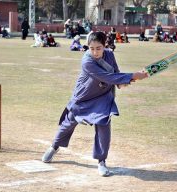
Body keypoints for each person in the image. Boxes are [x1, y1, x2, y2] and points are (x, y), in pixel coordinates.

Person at [41, 31, 148, 177]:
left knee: (104, 126)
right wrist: (133, 76)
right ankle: (54, 146)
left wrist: (126, 82)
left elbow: (115, 74)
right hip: (83, 97)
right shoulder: (87, 61)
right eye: (91, 48)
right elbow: (108, 76)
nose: (95, 52)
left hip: (103, 96)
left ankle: (101, 161)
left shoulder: (110, 54)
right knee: (68, 123)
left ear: (105, 46)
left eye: (98, 48)